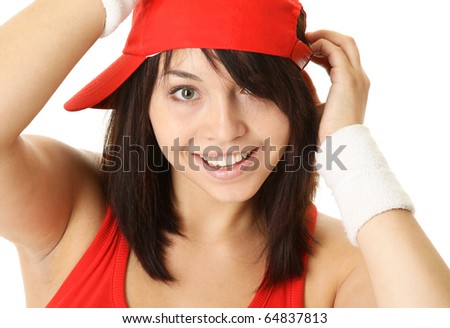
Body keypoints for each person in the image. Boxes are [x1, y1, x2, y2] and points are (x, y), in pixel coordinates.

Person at [0, 0, 449, 308]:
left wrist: (347, 142)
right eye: (185, 90)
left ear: (295, 102)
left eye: (253, 89)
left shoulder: (344, 267)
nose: (224, 129)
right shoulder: (71, 212)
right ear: (144, 105)